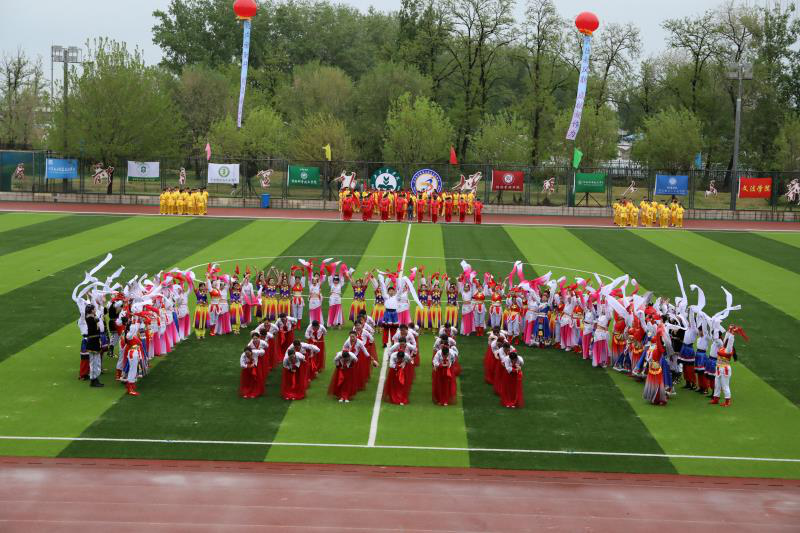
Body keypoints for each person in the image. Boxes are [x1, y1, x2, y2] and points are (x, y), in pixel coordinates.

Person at [384, 341, 414, 405]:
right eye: (399, 358)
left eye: (401, 358)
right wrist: (398, 366)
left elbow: (410, 360)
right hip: (394, 369)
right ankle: (393, 393)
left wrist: (404, 363)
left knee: (402, 382)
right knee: (393, 382)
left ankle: (401, 393)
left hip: (402, 369)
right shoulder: (393, 355)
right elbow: (391, 365)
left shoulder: (406, 356)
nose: (399, 359)